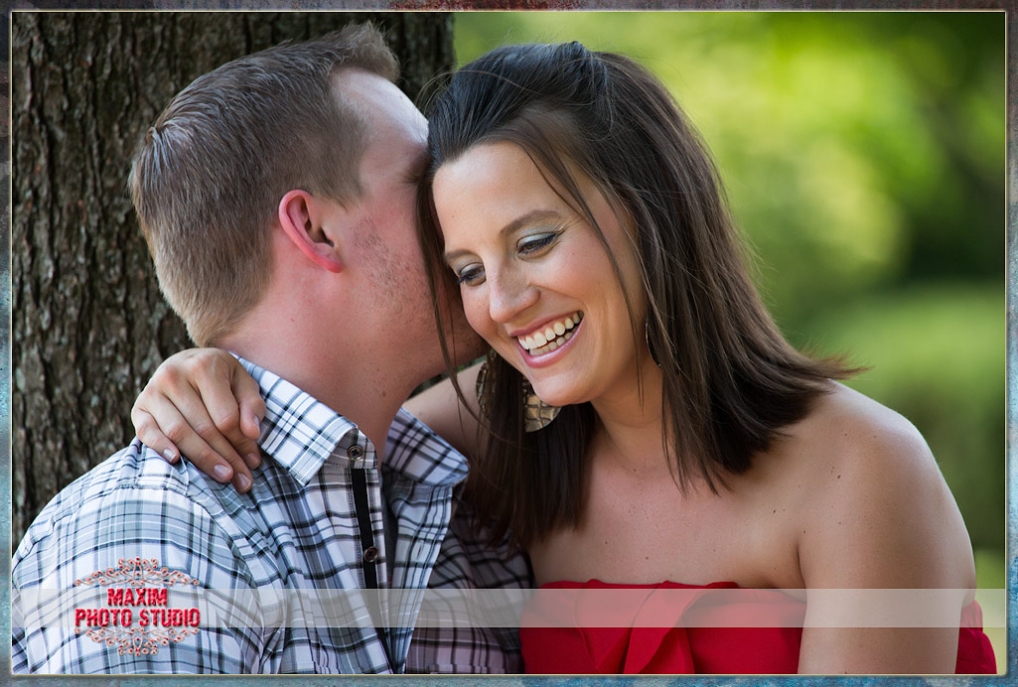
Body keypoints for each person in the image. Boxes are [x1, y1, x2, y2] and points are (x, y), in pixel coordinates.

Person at [131, 41, 996, 674]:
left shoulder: (860, 469)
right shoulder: (491, 439)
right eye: (466, 268)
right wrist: (202, 373)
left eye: (535, 241)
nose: (502, 304)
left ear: (651, 211)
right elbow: (325, 422)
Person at [12, 26, 530, 674]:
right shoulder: (151, 537)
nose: (463, 203)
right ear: (314, 228)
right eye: (426, 177)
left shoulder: (462, 517)